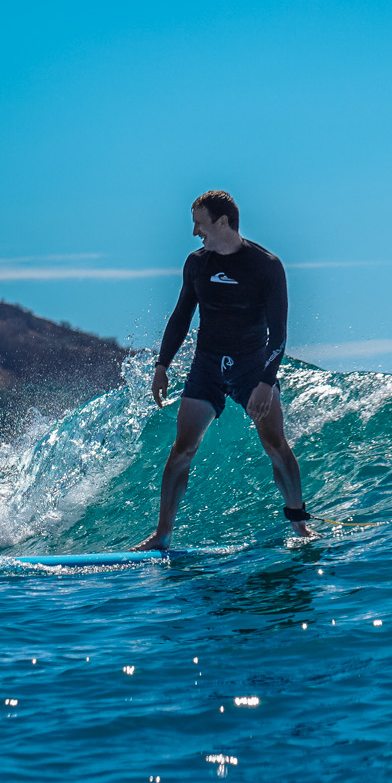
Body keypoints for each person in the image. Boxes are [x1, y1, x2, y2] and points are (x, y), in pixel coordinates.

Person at [134, 190, 312, 550]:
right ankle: (162, 534)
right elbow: (181, 316)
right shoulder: (196, 264)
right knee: (182, 448)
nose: (195, 232)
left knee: (275, 444)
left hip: (252, 366)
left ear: (223, 222)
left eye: (200, 223)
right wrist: (162, 365)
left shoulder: (266, 266)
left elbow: (279, 332)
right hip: (207, 365)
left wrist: (267, 381)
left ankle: (300, 525)